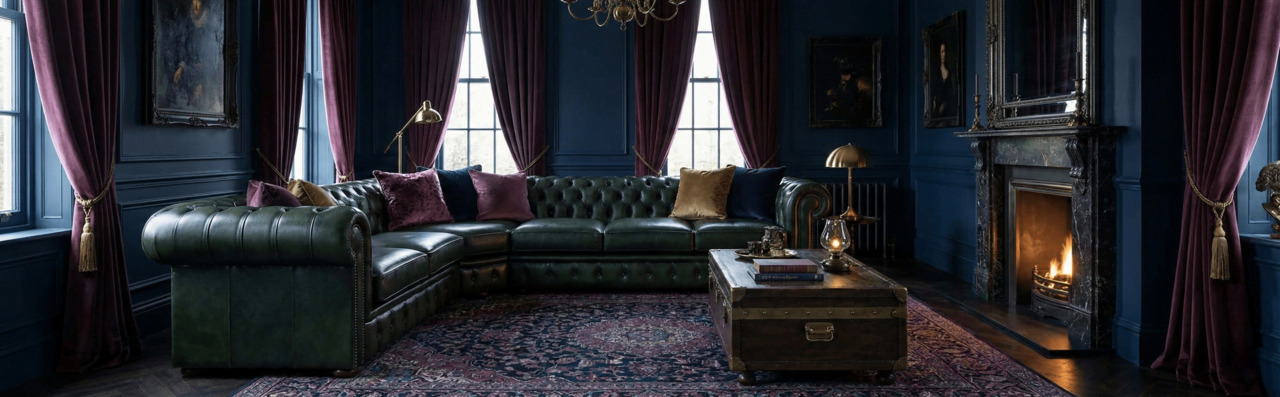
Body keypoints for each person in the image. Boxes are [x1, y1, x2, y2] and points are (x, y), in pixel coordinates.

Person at [929, 41, 957, 120]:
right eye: (942, 52)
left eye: (945, 52)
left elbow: (952, 95)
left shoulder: (951, 73)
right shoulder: (935, 72)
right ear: (939, 54)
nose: (944, 54)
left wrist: (945, 104)